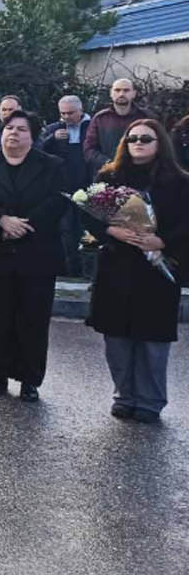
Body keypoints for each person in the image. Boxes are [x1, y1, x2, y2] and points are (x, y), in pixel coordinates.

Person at [82, 119, 189, 423]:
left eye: (146, 138)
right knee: (116, 339)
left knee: (152, 341)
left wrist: (163, 240)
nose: (138, 143)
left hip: (157, 269)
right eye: (133, 139)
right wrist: (111, 232)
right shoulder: (109, 176)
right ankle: (124, 395)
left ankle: (150, 401)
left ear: (160, 144)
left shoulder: (180, 182)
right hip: (117, 267)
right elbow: (88, 214)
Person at [0, 110, 67, 401]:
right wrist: (2, 220)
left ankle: (30, 378)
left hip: (36, 252)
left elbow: (59, 200)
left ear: (33, 137)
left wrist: (23, 225)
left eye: (22, 129)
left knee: (33, 317)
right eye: (9, 128)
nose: (14, 133)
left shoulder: (52, 166)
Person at [39, 95, 93, 277]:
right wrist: (51, 139)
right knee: (66, 230)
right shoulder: (54, 129)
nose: (66, 117)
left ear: (81, 110)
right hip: (63, 188)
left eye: (70, 113)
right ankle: (69, 270)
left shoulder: (93, 126)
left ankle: (89, 270)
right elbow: (38, 152)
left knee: (89, 228)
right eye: (62, 113)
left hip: (89, 187)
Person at [84, 78, 153, 173]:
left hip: (141, 173)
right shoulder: (100, 119)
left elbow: (157, 145)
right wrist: (109, 163)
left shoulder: (146, 117)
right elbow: (89, 149)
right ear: (111, 93)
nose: (121, 94)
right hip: (108, 174)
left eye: (126, 90)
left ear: (134, 93)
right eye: (117, 90)